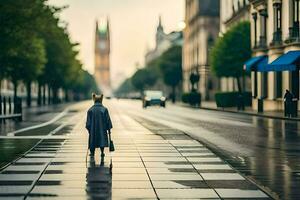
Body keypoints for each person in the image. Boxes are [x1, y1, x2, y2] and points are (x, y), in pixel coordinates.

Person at [86, 93, 113, 164]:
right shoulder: (104, 109)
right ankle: (102, 152)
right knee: (102, 140)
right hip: (102, 129)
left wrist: (89, 130)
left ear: (94, 100)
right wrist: (109, 130)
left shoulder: (90, 110)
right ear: (101, 100)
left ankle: (92, 152)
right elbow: (108, 121)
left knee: (92, 141)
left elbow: (88, 124)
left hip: (93, 130)